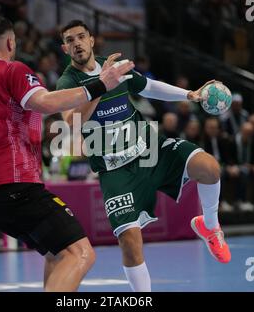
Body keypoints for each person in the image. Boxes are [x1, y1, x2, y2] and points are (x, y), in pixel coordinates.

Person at [0, 16, 134, 292]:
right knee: (81, 254)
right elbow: (44, 103)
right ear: (11, 42)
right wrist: (100, 84)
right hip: (16, 185)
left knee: (57, 254)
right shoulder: (12, 70)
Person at [57, 20, 231, 292]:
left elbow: (149, 87)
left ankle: (210, 227)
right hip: (115, 170)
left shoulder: (115, 67)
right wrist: (101, 85)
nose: (76, 43)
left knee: (209, 168)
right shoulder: (68, 81)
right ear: (65, 48)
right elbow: (72, 122)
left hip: (150, 150)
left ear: (91, 40)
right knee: (130, 242)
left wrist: (190, 94)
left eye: (81, 37)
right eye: (70, 40)